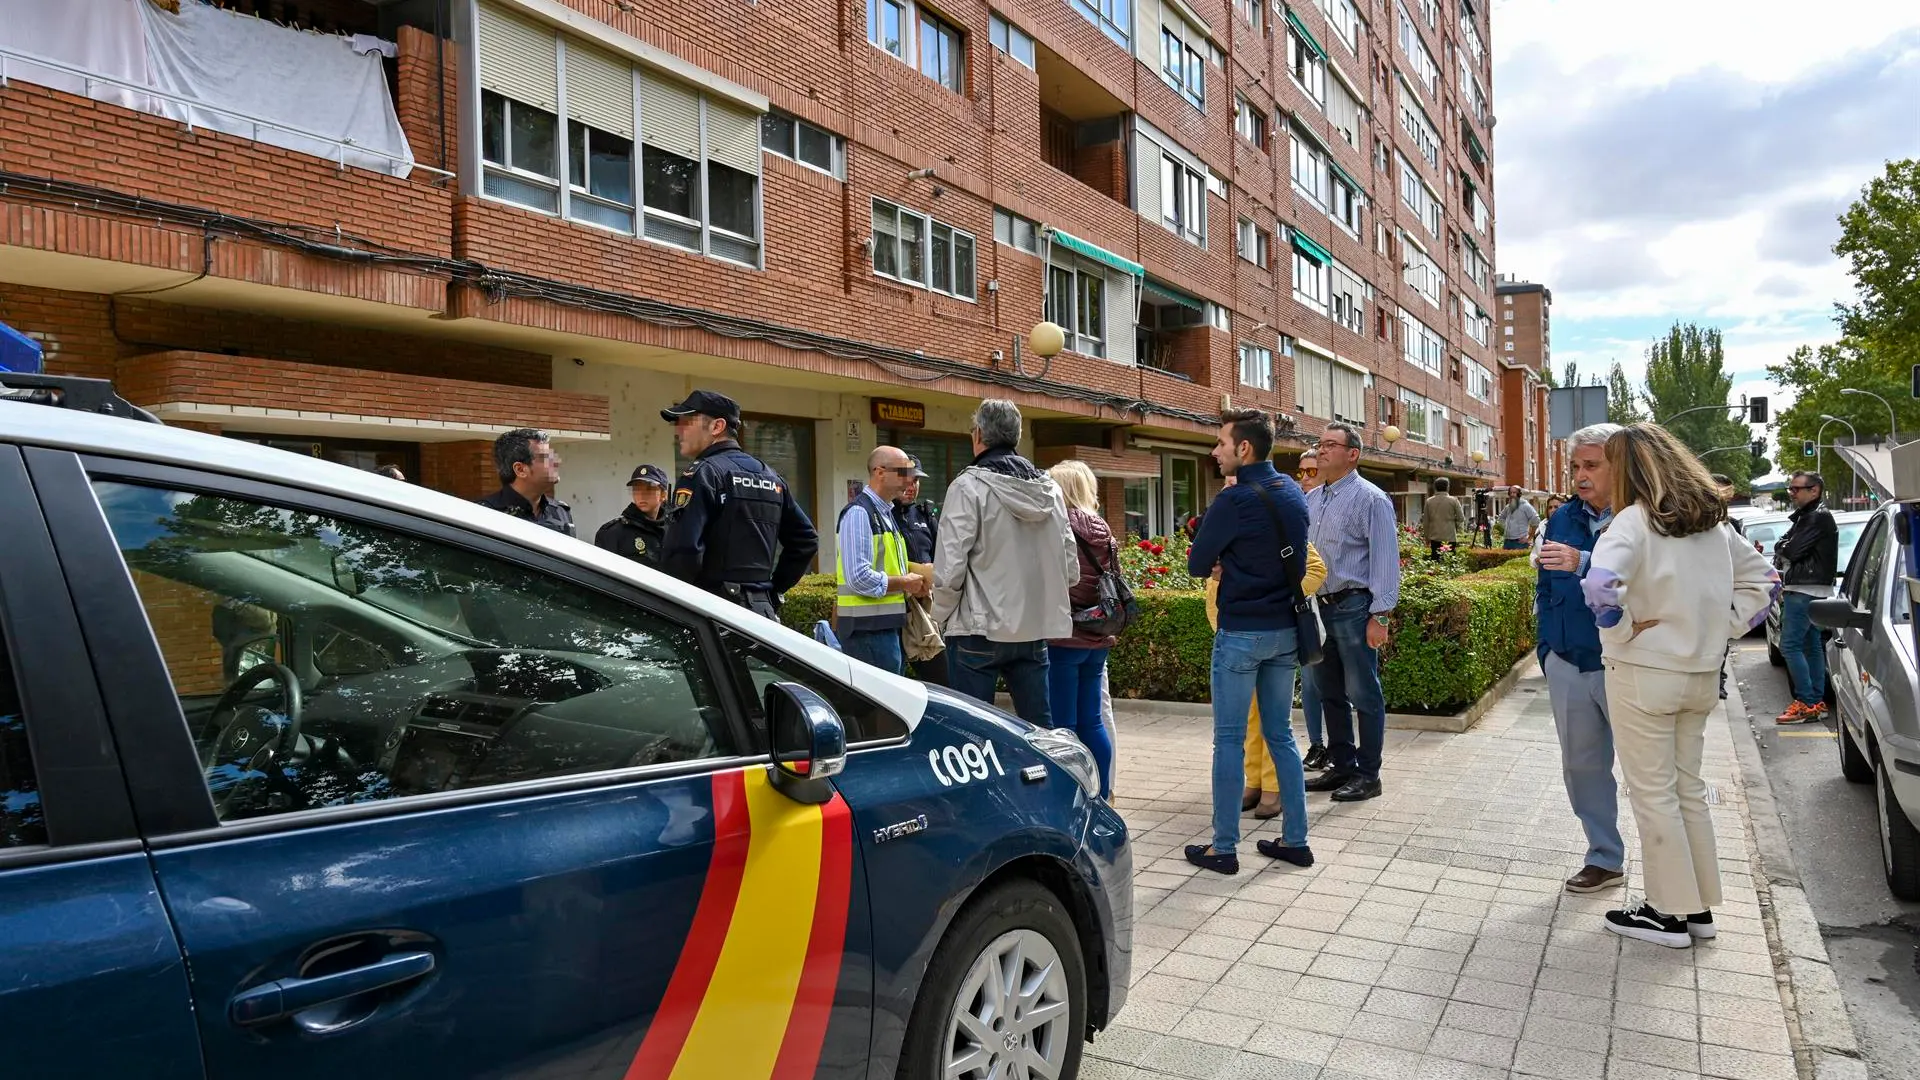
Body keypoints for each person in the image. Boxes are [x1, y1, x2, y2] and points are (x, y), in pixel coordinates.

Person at [1583, 423, 1777, 947]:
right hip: (1698, 676)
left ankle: (1667, 914)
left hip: (1643, 673)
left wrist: (1621, 628)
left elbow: (1600, 585)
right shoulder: (1711, 526)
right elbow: (1766, 582)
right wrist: (1720, 627)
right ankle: (1698, 910)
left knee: (1652, 793)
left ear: (1628, 470)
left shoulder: (1631, 522)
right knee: (1686, 788)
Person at [1182, 410, 1315, 875]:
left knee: (1229, 741)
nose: (1214, 451)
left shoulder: (1233, 500)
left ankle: (1223, 848)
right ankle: (1296, 840)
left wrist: (1225, 563)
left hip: (1240, 633)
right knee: (1281, 735)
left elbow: (1198, 563)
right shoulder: (1293, 493)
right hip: (1284, 632)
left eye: (1220, 442)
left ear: (1244, 449)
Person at [930, 400, 1077, 724]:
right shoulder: (1049, 490)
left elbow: (949, 568)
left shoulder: (968, 486)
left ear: (978, 434)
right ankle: (1045, 776)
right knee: (1039, 730)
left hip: (976, 629)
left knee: (972, 732)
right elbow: (1070, 564)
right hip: (1032, 629)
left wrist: (938, 615)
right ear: (1017, 435)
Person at [1533, 423, 1628, 895]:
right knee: (1582, 766)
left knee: (1650, 771)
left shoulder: (1643, 517)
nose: (1580, 476)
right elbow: (1545, 585)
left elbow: (1646, 582)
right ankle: (1604, 857)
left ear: (1620, 467)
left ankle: (1674, 878)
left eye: (1592, 465)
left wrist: (1584, 560)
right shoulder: (1562, 517)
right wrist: (1547, 649)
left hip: (1627, 664)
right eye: (1575, 467)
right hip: (1568, 661)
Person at [1303, 422, 1400, 803]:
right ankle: (1341, 765)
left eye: (1330, 445)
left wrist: (1381, 615)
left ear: (1352, 454)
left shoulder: (1371, 499)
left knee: (1364, 693)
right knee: (1329, 692)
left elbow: (1385, 561)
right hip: (1318, 610)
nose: (1321, 450)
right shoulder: (1311, 500)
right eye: (1320, 444)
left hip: (1355, 607)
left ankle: (1368, 774)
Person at [659, 390, 818, 619]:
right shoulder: (771, 476)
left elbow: (684, 549)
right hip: (762, 614)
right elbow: (806, 540)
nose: (678, 430)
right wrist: (772, 591)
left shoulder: (703, 474)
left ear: (717, 426)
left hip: (712, 613)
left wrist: (673, 604)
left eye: (686, 422)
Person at [1045, 461, 1119, 798]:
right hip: (1097, 633)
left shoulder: (1054, 527)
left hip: (1063, 635)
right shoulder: (1103, 528)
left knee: (1063, 727)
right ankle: (1101, 795)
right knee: (1092, 722)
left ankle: (1070, 798)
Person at [834, 446, 927, 675]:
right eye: (903, 472)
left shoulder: (884, 513)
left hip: (883, 629)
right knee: (879, 709)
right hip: (867, 633)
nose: (910, 479)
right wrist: (905, 583)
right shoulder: (859, 513)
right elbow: (859, 577)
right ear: (879, 472)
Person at [1773, 470, 1838, 724]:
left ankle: (1807, 702)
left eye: (1796, 489)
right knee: (1811, 645)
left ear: (1815, 490)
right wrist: (1784, 545)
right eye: (1791, 489)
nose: (1792, 493)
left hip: (1804, 589)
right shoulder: (1811, 516)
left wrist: (1783, 546)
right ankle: (1815, 701)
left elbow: (1792, 550)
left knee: (1789, 645)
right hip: (1812, 589)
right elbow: (1785, 545)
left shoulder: (1816, 517)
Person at [891, 457, 948, 685]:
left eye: (916, 481)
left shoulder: (925, 515)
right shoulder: (882, 516)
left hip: (924, 611)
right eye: (907, 480)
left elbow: (941, 559)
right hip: (894, 607)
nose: (911, 486)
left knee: (942, 681)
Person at [480, 428, 575, 535]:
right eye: (546, 458)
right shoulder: (484, 514)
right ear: (520, 469)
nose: (557, 462)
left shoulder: (560, 511)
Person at [1296, 453, 1328, 771]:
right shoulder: (1295, 508)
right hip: (1307, 605)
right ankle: (1317, 745)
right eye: (1301, 470)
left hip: (1342, 604)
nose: (1305, 476)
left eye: (1311, 470)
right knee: (1310, 681)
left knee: (1339, 683)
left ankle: (1340, 746)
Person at [592, 464, 670, 568]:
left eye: (649, 489)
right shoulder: (613, 533)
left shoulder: (674, 530)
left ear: (663, 495)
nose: (641, 495)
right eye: (637, 489)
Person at [1422, 476, 1465, 557]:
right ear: (1448, 487)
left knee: (1436, 563)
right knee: (1449, 562)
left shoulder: (1429, 501)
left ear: (1435, 487)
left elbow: (1426, 522)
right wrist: (1453, 521)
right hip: (1450, 537)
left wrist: (1427, 538)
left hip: (1435, 538)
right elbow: (1461, 518)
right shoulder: (1454, 500)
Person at [1501, 484, 1539, 549]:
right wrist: (1505, 527)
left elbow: (1536, 520)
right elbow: (1501, 518)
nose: (1512, 495)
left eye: (1514, 493)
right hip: (1507, 541)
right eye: (1510, 493)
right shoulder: (1508, 507)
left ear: (1519, 494)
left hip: (1520, 542)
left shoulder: (1526, 506)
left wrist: (1529, 537)